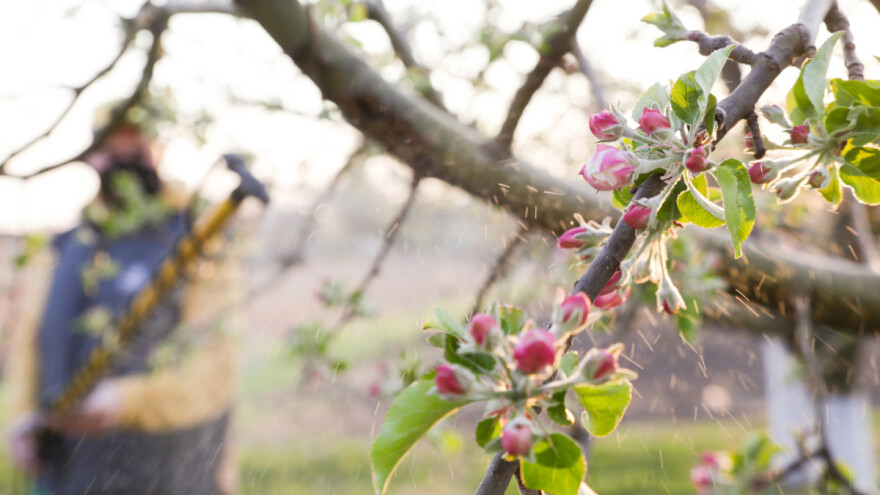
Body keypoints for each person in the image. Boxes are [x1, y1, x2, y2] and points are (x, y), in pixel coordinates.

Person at [5, 102, 240, 494]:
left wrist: (124, 401)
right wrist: (23, 416)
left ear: (157, 148)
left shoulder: (200, 240)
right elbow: (30, 342)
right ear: (93, 155)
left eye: (135, 144)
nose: (124, 157)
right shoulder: (63, 248)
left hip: (173, 477)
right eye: (112, 146)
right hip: (67, 476)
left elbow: (214, 369)